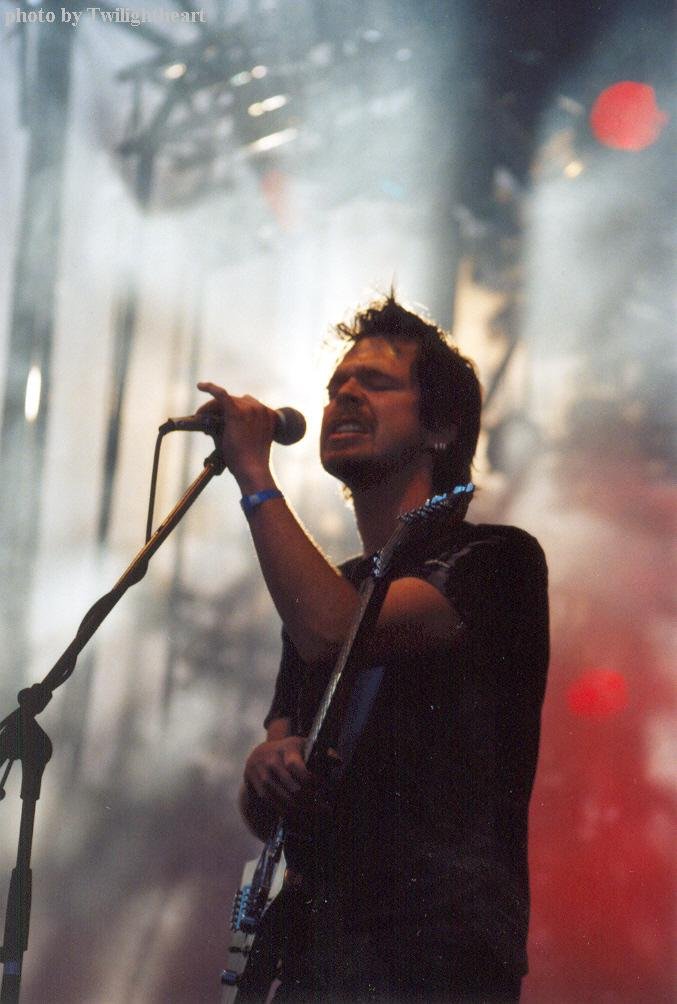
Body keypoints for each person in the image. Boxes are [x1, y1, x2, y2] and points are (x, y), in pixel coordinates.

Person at [198, 294, 549, 1002]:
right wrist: (265, 769)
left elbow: (339, 631)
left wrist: (256, 479)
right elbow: (270, 803)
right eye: (336, 386)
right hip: (317, 947)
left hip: (434, 954)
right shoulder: (327, 587)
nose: (346, 395)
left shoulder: (495, 559)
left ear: (441, 427)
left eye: (376, 382)